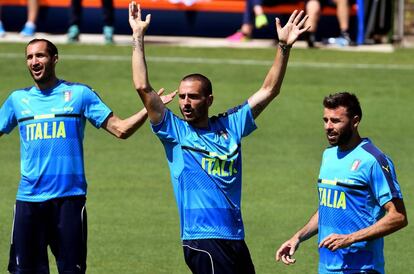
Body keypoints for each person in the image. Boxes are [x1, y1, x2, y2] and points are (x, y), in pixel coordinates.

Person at [128, 1, 309, 273]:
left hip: (235, 237)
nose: (185, 103)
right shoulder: (174, 132)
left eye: (194, 97)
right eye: (183, 97)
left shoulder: (232, 125)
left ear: (209, 99)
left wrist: (283, 47)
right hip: (202, 239)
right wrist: (138, 36)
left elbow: (269, 90)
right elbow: (143, 86)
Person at [0, 38, 175, 273]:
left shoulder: (79, 94)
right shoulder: (17, 100)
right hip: (29, 202)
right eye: (29, 57)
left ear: (54, 59)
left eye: (40, 55)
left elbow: (120, 129)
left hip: (69, 201)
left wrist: (149, 108)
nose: (34, 62)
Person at [275, 92, 408, 273]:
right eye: (325, 120)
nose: (328, 127)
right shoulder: (328, 155)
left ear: (355, 121)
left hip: (362, 268)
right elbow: (328, 208)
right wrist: (297, 237)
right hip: (327, 268)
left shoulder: (373, 160)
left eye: (336, 121)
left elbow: (398, 217)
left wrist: (350, 238)